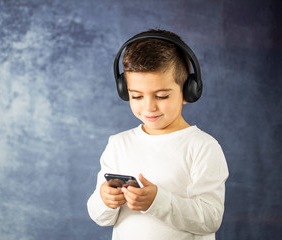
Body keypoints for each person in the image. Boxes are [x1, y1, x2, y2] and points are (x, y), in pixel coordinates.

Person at [87, 29, 229, 240]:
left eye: (161, 96)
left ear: (188, 91)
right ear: (124, 91)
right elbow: (100, 217)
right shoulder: (118, 144)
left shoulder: (202, 147)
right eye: (136, 96)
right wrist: (104, 199)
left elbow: (211, 218)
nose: (149, 107)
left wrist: (157, 202)